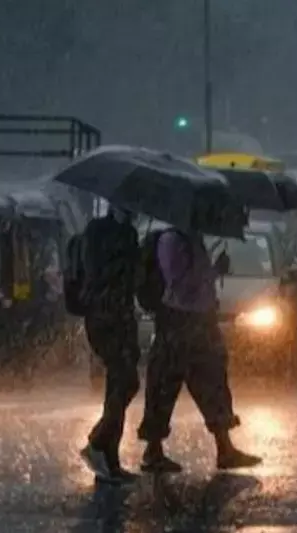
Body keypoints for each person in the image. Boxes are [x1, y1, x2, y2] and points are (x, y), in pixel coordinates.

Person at [137, 227, 262, 473]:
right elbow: (178, 283)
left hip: (201, 321)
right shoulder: (171, 240)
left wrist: (215, 271)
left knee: (213, 383)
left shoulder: (194, 239)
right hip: (179, 321)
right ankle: (153, 450)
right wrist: (211, 271)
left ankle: (225, 448)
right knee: (163, 386)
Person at [79, 205, 141, 484]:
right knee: (124, 381)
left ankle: (108, 457)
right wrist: (126, 258)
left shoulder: (129, 234)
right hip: (104, 316)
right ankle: (98, 444)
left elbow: (133, 281)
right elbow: (96, 272)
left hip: (123, 316)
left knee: (121, 384)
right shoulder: (97, 231)